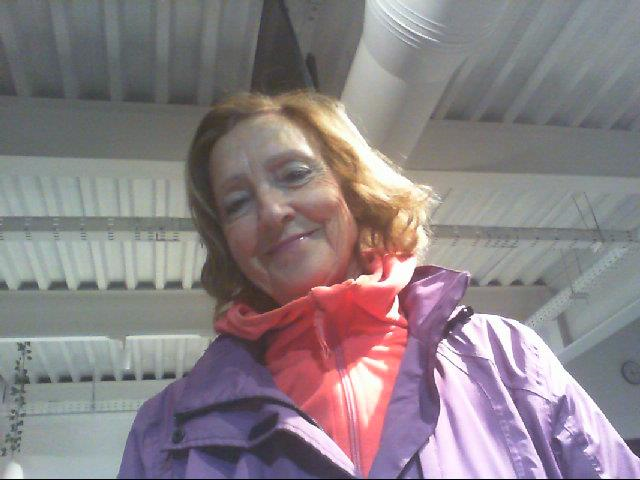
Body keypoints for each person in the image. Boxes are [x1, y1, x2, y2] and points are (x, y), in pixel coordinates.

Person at [118, 91, 640, 478]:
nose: (272, 211)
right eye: (237, 203)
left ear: (351, 187)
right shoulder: (165, 434)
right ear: (226, 241)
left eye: (295, 174)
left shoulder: (505, 361)